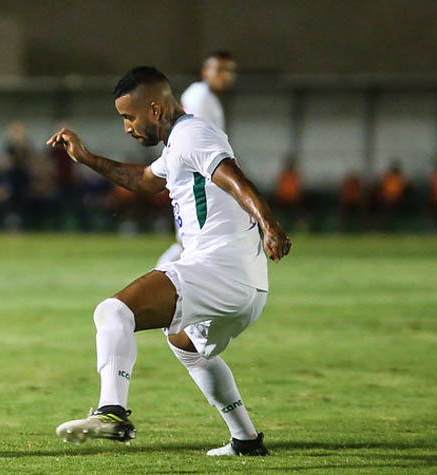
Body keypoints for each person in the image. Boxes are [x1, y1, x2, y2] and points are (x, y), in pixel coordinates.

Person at [47, 66, 290, 456]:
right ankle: (245, 439)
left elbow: (233, 178)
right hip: (245, 284)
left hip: (219, 270)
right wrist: (87, 158)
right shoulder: (179, 142)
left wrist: (269, 224)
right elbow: (144, 180)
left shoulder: (194, 134)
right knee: (185, 344)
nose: (127, 127)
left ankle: (112, 412)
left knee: (113, 312)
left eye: (130, 116)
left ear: (156, 109)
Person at [156, 51, 238, 267]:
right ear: (205, 72)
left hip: (195, 174)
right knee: (191, 243)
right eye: (219, 70)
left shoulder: (204, 96)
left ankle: (159, 279)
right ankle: (157, 280)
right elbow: (202, 145)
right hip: (197, 178)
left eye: (229, 71)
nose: (225, 76)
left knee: (191, 243)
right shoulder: (201, 97)